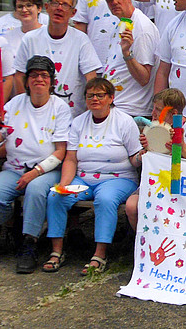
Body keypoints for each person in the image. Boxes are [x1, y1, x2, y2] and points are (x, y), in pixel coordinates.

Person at [0, 55, 71, 274]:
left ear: (51, 81)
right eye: (34, 75)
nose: (39, 79)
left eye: (44, 75)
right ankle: (14, 226)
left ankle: (29, 243)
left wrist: (36, 172)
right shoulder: (14, 104)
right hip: (14, 166)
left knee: (36, 190)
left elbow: (61, 151)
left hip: (46, 170)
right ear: (27, 80)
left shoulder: (60, 107)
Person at [44, 78, 141, 275]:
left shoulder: (124, 121)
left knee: (105, 199)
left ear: (111, 98)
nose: (94, 99)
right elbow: (70, 159)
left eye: (100, 95)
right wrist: (64, 184)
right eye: (90, 96)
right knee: (56, 196)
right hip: (84, 177)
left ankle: (100, 254)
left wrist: (144, 156)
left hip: (118, 178)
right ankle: (56, 252)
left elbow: (134, 158)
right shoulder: (79, 122)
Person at [13, 0, 101, 117]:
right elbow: (19, 76)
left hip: (71, 116)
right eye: (55, 3)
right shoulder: (30, 39)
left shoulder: (81, 40)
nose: (59, 8)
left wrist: (89, 114)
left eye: (65, 5)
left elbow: (91, 77)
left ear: (73, 12)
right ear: (47, 7)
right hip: (36, 115)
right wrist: (25, 107)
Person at [124, 88, 186, 230]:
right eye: (154, 109)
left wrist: (178, 147)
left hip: (180, 183)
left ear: (174, 114)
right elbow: (136, 161)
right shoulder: (152, 128)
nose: (153, 114)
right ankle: (143, 239)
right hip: (154, 181)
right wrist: (145, 151)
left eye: (158, 110)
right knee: (131, 207)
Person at [100, 0, 159, 117]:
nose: (114, 2)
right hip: (116, 107)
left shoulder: (142, 27)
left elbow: (144, 78)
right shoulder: (122, 24)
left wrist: (127, 54)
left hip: (131, 111)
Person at [0, 0, 44, 90]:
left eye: (29, 5)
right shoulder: (6, 38)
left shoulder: (48, 33)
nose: (24, 10)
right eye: (20, 7)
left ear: (39, 8)